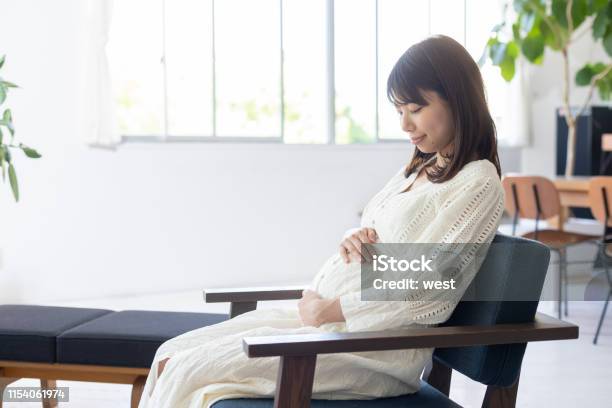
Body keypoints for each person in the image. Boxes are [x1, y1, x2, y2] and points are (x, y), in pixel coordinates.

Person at [138, 34, 505, 407]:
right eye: (399, 111)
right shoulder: (421, 168)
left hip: (371, 349)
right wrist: (353, 237)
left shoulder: (478, 183)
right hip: (326, 327)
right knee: (172, 354)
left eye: (415, 107)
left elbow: (429, 288)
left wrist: (331, 309)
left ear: (457, 99)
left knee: (187, 371)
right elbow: (385, 232)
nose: (405, 125)